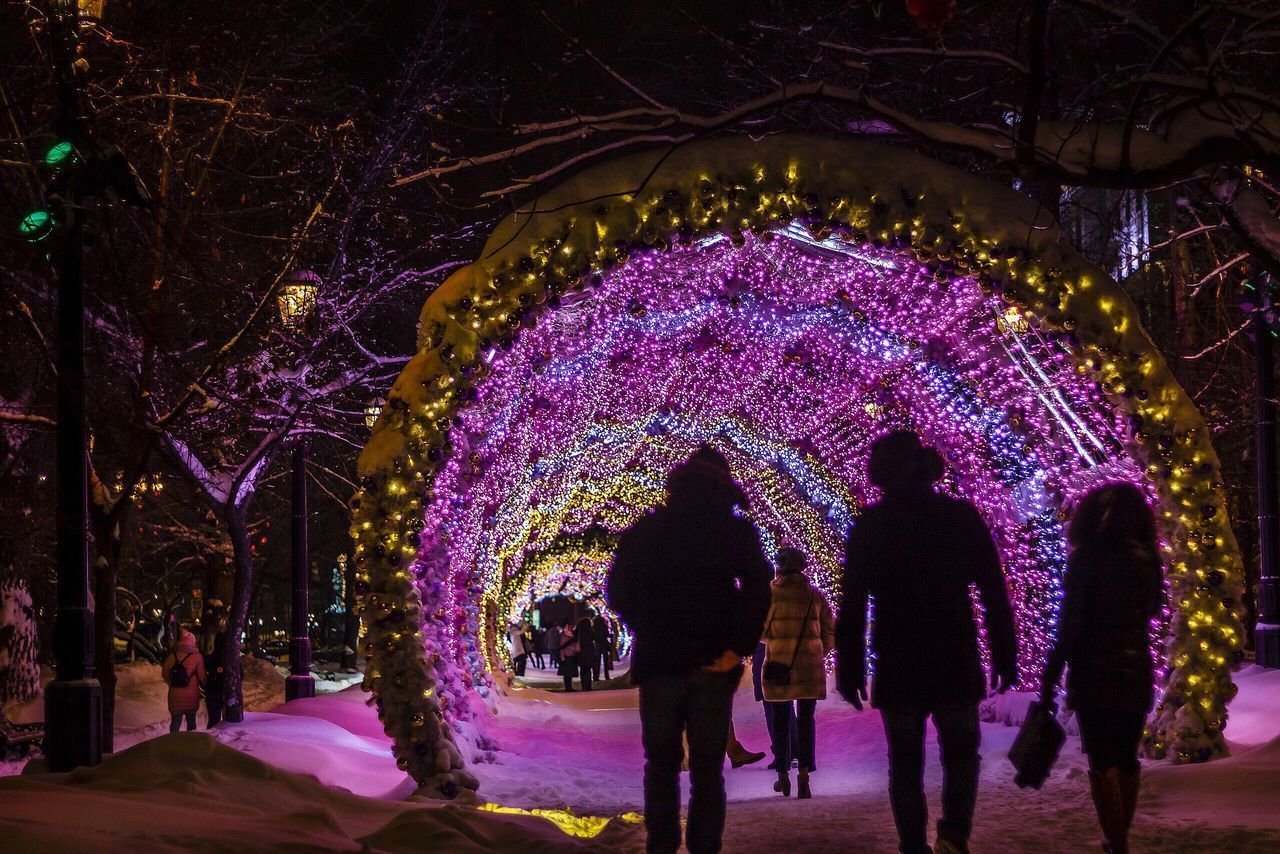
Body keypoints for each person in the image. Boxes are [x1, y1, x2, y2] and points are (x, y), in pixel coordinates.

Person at [836, 431, 1017, 854]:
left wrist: (850, 667)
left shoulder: (870, 526)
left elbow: (853, 602)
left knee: (904, 766)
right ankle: (953, 836)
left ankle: (913, 845)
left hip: (899, 660)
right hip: (953, 652)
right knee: (960, 756)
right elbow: (992, 588)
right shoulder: (958, 517)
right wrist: (1005, 651)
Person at [608, 444, 772, 854]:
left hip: (660, 662)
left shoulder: (647, 531)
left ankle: (660, 846)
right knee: (707, 769)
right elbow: (758, 588)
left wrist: (647, 624)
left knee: (661, 766)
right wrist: (738, 646)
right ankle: (704, 847)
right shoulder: (734, 532)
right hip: (714, 663)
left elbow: (618, 591)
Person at [1041, 483, 1163, 854]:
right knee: (1127, 758)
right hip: (1134, 666)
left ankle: (1115, 839)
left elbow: (1070, 623)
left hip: (1092, 670)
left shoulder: (1085, 560)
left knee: (1101, 758)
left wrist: (1052, 673)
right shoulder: (1146, 558)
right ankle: (1119, 836)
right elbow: (1154, 607)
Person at [761, 547, 835, 799]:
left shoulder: (771, 596)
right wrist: (816, 653)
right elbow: (829, 633)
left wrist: (778, 642)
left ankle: (783, 776)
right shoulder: (814, 595)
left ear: (779, 567)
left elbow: (760, 632)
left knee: (781, 721)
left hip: (779, 668)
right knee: (806, 721)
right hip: (809, 668)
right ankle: (804, 775)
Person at [162, 628, 207, 733]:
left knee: (175, 722)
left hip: (175, 695)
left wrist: (172, 683)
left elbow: (164, 674)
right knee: (191, 722)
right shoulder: (197, 657)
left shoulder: (172, 656)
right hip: (191, 696)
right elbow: (202, 677)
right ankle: (190, 744)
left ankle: (173, 742)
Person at [575, 613, 596, 691]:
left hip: (581, 653)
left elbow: (573, 640)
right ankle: (588, 686)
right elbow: (596, 639)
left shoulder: (578, 632)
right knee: (588, 670)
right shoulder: (590, 632)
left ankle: (584, 685)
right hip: (590, 652)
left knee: (583, 669)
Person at [558, 621, 579, 692]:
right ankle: (568, 687)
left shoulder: (573, 635)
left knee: (570, 673)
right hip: (567, 655)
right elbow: (562, 647)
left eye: (572, 626)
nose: (571, 628)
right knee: (567, 673)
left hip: (572, 655)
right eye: (570, 626)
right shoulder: (565, 635)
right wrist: (562, 657)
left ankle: (569, 687)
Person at [592, 612, 613, 682]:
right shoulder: (604, 626)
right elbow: (607, 634)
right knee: (605, 661)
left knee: (597, 662)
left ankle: (595, 677)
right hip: (604, 644)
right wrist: (611, 636)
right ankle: (606, 676)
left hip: (597, 645)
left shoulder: (593, 627)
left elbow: (593, 636)